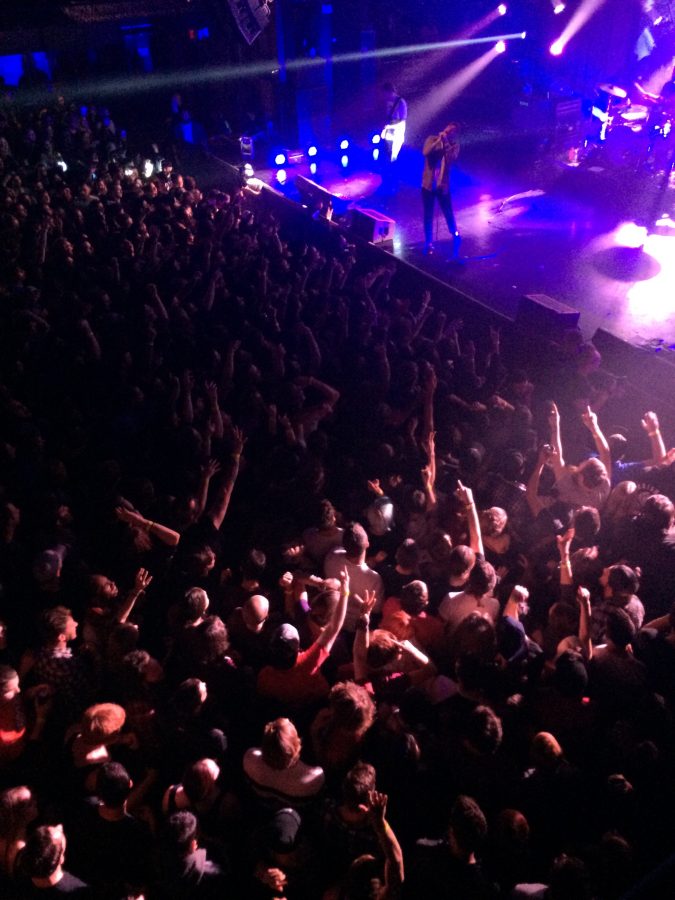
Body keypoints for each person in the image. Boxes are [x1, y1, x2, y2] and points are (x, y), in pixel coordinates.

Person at [421, 123, 461, 257]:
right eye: (449, 130)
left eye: (453, 132)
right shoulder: (432, 139)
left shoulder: (454, 145)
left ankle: (455, 234)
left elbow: (451, 158)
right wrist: (439, 139)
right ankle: (428, 242)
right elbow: (426, 152)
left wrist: (446, 142)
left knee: (448, 212)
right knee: (428, 214)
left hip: (443, 186)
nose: (450, 133)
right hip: (429, 185)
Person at [381, 82, 408, 164]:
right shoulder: (387, 102)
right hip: (389, 129)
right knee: (387, 148)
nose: (384, 95)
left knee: (395, 152)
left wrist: (390, 126)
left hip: (397, 129)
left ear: (389, 91)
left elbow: (403, 118)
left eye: (385, 93)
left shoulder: (400, 102)